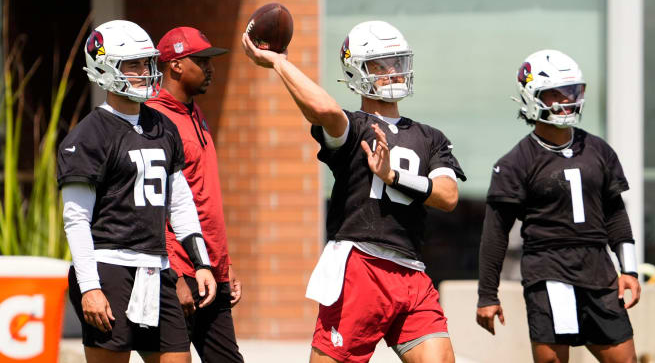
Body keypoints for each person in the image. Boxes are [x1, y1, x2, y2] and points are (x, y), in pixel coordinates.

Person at [242, 21, 466, 363]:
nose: (393, 72)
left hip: (411, 270)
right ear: (356, 71)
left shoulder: (429, 136)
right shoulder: (354, 127)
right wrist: (279, 63)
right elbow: (325, 111)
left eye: (397, 62)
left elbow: (448, 196)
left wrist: (393, 175)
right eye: (380, 65)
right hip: (361, 265)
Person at [58, 20, 217, 363]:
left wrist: (200, 262)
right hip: (109, 266)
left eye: (147, 63)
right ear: (104, 67)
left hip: (156, 268)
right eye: (133, 64)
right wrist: (90, 287)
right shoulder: (88, 136)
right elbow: (76, 220)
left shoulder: (163, 125)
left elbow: (180, 201)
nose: (145, 72)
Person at [475, 49, 641, 363]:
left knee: (624, 360)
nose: (566, 101)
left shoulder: (599, 150)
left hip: (598, 269)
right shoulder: (515, 163)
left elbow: (615, 213)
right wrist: (487, 294)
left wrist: (629, 269)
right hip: (547, 269)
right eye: (555, 94)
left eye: (572, 92)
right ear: (531, 97)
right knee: (552, 361)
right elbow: (495, 234)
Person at [146, 26, 244, 363]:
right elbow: (154, 205)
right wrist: (173, 277)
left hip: (210, 269)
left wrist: (223, 264)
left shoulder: (194, 112)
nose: (210, 68)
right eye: (201, 61)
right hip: (180, 271)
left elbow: (206, 197)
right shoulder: (153, 119)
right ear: (175, 65)